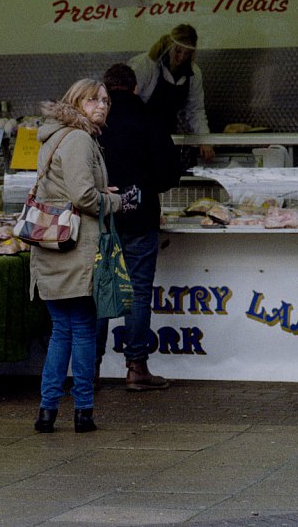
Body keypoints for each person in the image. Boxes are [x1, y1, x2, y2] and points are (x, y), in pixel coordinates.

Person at [30, 79, 136, 435]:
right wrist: (121, 201)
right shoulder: (78, 139)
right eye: (93, 100)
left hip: (52, 249)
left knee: (61, 331)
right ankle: (83, 412)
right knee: (83, 331)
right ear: (75, 102)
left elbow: (66, 188)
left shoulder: (55, 135)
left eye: (105, 100)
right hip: (75, 250)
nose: (102, 106)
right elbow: (84, 198)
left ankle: (47, 413)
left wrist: (94, 189)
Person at [96, 63, 183, 391]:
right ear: (134, 88)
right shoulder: (150, 119)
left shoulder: (97, 123)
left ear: (106, 89)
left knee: (102, 292)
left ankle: (90, 368)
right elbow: (170, 175)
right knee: (137, 292)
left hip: (103, 219)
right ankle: (136, 368)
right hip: (141, 219)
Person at [127, 24, 215, 164]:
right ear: (170, 45)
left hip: (169, 134)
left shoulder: (193, 73)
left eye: (187, 54)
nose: (181, 58)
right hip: (140, 134)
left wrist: (204, 140)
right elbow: (127, 103)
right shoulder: (144, 65)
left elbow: (195, 110)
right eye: (178, 51)